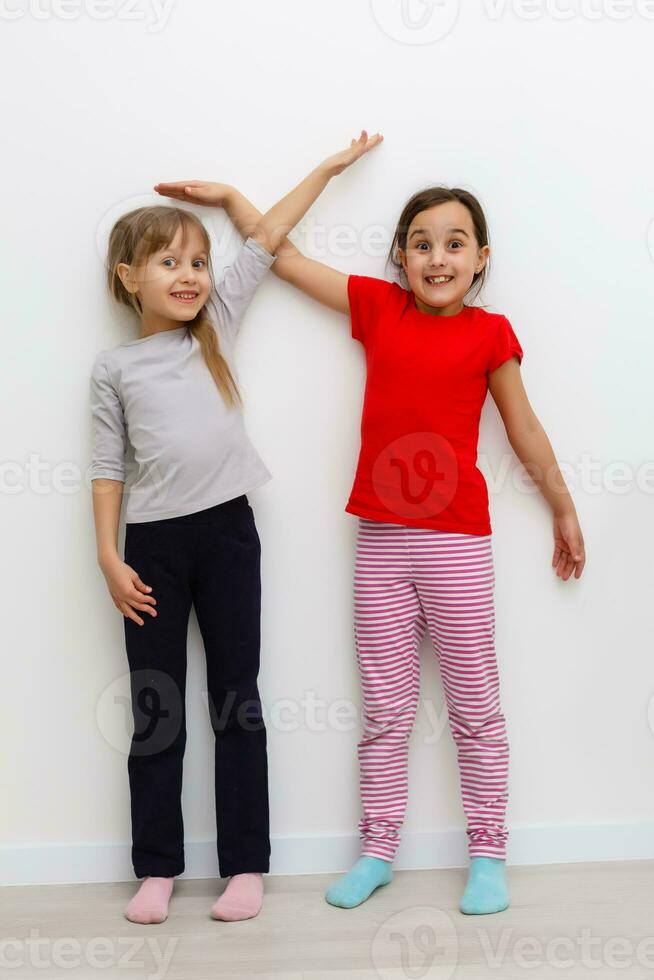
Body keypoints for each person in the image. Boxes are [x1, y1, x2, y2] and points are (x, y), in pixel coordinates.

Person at [155, 141, 586, 916]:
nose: (438, 257)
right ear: (399, 258)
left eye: (455, 244)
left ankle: (488, 855)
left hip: (457, 544)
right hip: (381, 546)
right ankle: (378, 849)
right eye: (421, 245)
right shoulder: (379, 309)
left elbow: (524, 429)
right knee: (385, 710)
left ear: (481, 258)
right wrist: (230, 198)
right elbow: (283, 262)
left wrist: (561, 505)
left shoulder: (491, 335)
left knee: (475, 705)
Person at [89, 131, 383, 924]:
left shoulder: (212, 326)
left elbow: (264, 240)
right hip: (150, 547)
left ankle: (245, 866)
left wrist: (294, 178)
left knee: (234, 700)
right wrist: (110, 559)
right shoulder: (113, 371)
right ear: (129, 278)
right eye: (168, 262)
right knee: (157, 707)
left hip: (227, 536)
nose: (189, 275)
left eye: (196, 261)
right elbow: (106, 468)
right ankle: (156, 869)